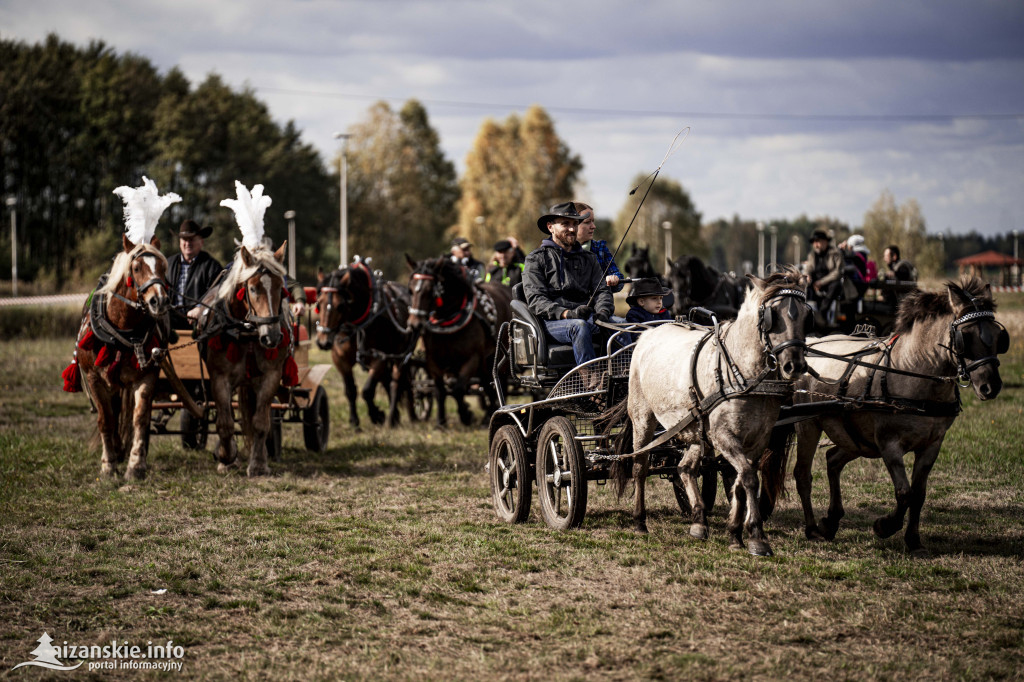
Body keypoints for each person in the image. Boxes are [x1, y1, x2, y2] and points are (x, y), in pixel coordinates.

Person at [523, 202, 614, 367]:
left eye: (574, 224)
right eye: (565, 224)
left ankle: (624, 378)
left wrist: (603, 312)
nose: (572, 229)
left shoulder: (589, 258)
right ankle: (593, 385)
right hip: (551, 323)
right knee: (578, 326)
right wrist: (567, 313)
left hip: (588, 318)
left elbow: (602, 291)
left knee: (620, 325)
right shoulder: (536, 259)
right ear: (551, 227)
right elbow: (536, 300)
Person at [168, 219, 223, 328]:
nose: (188, 243)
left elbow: (218, 292)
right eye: (184, 239)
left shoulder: (212, 266)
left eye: (192, 239)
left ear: (201, 241)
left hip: (201, 325)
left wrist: (200, 308)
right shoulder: (168, 264)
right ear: (180, 242)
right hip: (170, 324)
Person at [574, 202, 624, 293]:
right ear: (572, 224)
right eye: (587, 222)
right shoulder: (558, 250)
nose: (593, 226)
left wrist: (614, 278)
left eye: (593, 221)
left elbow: (618, 278)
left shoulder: (600, 248)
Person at [801, 229, 843, 327]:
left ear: (825, 242)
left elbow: (837, 272)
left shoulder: (835, 253)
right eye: (814, 242)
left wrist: (821, 282)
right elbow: (809, 268)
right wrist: (807, 276)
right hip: (816, 283)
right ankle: (805, 314)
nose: (816, 245)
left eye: (817, 242)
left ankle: (823, 313)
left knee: (836, 285)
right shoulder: (812, 255)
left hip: (830, 282)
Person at [624, 278, 673, 343]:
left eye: (661, 298)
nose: (659, 302)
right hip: (644, 347)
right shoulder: (634, 314)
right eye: (654, 298)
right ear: (641, 302)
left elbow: (670, 330)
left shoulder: (664, 313)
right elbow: (637, 336)